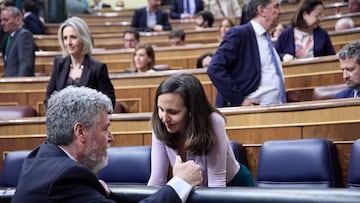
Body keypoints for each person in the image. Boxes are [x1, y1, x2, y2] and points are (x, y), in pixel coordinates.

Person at [11, 86, 203, 203]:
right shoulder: (67, 178)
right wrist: (180, 182)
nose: (111, 137)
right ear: (81, 132)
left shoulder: (40, 156)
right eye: (105, 129)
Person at [148, 73, 255, 187]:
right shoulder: (161, 123)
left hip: (233, 187)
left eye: (173, 112)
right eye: (161, 109)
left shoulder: (214, 121)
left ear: (191, 111)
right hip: (193, 189)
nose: (164, 118)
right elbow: (156, 181)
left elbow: (217, 182)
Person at [207, 0, 286, 107]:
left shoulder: (266, 37)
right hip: (254, 113)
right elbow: (214, 68)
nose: (281, 11)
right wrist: (239, 100)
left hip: (276, 108)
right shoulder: (239, 34)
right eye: (276, 7)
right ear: (262, 11)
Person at [44, 17, 115, 108]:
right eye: (65, 38)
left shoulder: (97, 68)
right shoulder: (59, 64)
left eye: (73, 37)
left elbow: (109, 101)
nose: (68, 43)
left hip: (89, 120)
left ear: (83, 38)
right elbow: (48, 98)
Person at [0, 6, 35, 77]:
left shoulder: (24, 35)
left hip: (17, 84)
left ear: (17, 20)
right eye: (1, 20)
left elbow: (25, 65)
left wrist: (18, 84)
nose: (2, 23)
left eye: (6, 20)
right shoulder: (8, 37)